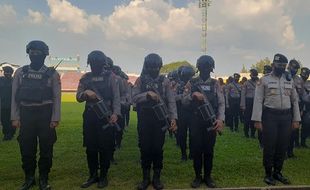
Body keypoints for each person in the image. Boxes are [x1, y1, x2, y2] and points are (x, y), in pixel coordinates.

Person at [11, 40, 61, 190]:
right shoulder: (21, 72)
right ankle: (29, 177)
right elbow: (14, 96)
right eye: (32, 52)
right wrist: (15, 117)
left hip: (45, 115)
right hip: (26, 114)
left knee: (46, 149)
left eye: (38, 53)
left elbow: (56, 98)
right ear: (28, 53)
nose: (35, 55)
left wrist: (55, 118)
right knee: (26, 148)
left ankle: (44, 179)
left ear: (45, 55)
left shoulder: (52, 74)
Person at [252, 53, 300, 186]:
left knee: (282, 145)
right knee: (270, 145)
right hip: (270, 116)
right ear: (273, 65)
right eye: (279, 65)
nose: (281, 67)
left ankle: (277, 172)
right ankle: (268, 173)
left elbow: (295, 100)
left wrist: (296, 119)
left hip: (286, 116)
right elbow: (257, 100)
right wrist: (257, 120)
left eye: (283, 66)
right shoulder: (264, 80)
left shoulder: (289, 79)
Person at [132, 53, 177, 190]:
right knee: (145, 148)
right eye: (151, 67)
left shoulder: (165, 81)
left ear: (160, 66)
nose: (154, 70)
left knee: (157, 148)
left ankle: (156, 178)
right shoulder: (140, 81)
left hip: (160, 120)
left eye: (156, 67)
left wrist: (173, 118)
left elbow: (171, 101)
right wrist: (146, 95)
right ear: (147, 66)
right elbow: (133, 98)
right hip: (145, 119)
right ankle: (145, 178)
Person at [76, 50, 120, 189]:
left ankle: (103, 176)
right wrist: (85, 94)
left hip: (106, 116)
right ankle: (93, 174)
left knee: (105, 147)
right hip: (90, 115)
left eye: (98, 64)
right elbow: (78, 97)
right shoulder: (85, 78)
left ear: (103, 64)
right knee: (90, 147)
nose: (95, 67)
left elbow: (116, 98)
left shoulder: (111, 77)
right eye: (93, 64)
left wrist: (115, 114)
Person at [182, 55, 224, 188]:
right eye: (203, 68)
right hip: (195, 121)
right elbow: (183, 101)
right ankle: (197, 177)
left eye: (208, 68)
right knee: (196, 149)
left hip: (211, 121)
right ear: (199, 68)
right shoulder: (191, 83)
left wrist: (220, 119)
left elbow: (222, 103)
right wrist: (192, 96)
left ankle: (207, 176)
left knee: (209, 150)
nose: (206, 70)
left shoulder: (215, 83)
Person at [175, 66, 195, 161]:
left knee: (193, 134)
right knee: (182, 134)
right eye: (187, 76)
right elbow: (173, 97)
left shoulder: (195, 84)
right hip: (181, 112)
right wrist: (183, 96)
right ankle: (183, 154)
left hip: (192, 112)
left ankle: (191, 153)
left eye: (190, 76)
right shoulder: (178, 85)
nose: (189, 78)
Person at [287, 59, 303, 157]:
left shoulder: (298, 79)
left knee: (294, 130)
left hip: (296, 105)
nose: (295, 70)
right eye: (293, 67)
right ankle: (283, 152)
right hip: (285, 105)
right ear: (289, 66)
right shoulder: (283, 76)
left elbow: (301, 94)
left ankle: (290, 152)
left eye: (296, 68)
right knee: (284, 130)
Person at [240, 69, 258, 138]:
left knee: (254, 118)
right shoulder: (246, 83)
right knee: (247, 119)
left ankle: (253, 134)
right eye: (252, 75)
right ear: (250, 75)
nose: (253, 76)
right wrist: (243, 105)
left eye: (254, 75)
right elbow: (243, 95)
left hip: (256, 102)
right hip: (248, 102)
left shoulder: (258, 82)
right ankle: (246, 133)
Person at [0, 66, 15, 141]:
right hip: (3, 104)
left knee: (12, 120)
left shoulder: (14, 81)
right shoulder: (1, 80)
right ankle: (6, 134)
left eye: (9, 72)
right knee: (4, 120)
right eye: (6, 72)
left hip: (13, 105)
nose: (7, 73)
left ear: (12, 73)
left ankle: (11, 134)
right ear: (4, 72)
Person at [300, 67, 310, 148]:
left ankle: (303, 142)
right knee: (294, 126)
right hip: (297, 105)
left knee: (306, 125)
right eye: (304, 74)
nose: (305, 76)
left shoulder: (308, 83)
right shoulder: (296, 81)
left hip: (306, 107)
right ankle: (295, 143)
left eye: (307, 74)